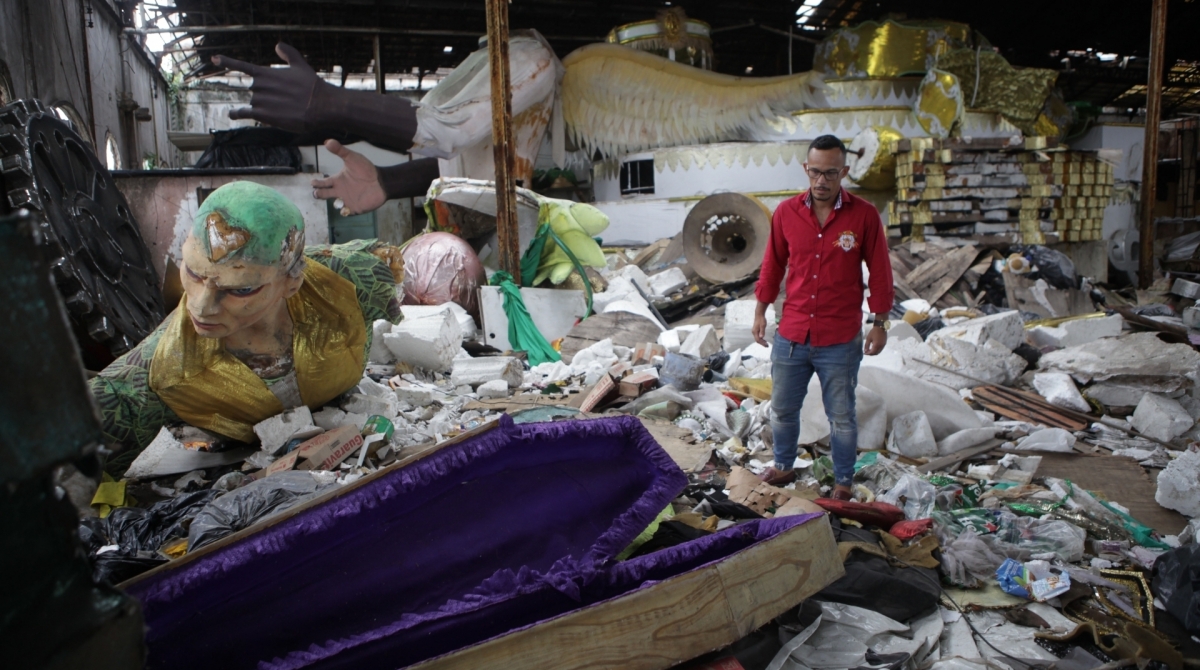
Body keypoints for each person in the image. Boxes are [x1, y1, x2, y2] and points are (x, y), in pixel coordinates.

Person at [89, 181, 403, 475]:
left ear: (291, 282)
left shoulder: (351, 283)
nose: (201, 307)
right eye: (194, 274)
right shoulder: (156, 380)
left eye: (240, 290)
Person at [751, 134, 894, 501]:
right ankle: (783, 465)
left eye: (831, 173)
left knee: (843, 417)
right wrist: (761, 310)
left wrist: (880, 324)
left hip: (840, 338)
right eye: (815, 172)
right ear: (806, 169)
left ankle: (843, 481)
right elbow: (773, 265)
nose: (821, 181)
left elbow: (879, 271)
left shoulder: (863, 216)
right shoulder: (786, 213)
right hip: (793, 333)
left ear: (844, 172)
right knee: (782, 410)